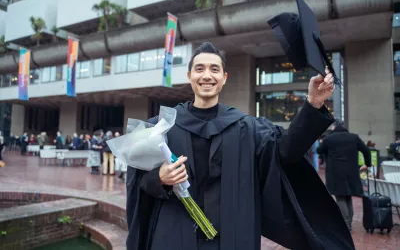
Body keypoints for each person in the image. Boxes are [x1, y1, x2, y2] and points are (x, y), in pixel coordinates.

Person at [126, 43, 354, 250]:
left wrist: (313, 103)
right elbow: (139, 181)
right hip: (174, 236)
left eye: (214, 70)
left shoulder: (247, 128)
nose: (207, 75)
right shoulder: (162, 128)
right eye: (200, 69)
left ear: (224, 78)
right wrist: (160, 178)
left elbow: (286, 149)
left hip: (232, 237)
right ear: (189, 76)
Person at [317, 124, 371, 232]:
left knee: (341, 197)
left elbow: (319, 150)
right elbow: (366, 150)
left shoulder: (329, 139)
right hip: (352, 173)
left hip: (335, 174)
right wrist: (367, 164)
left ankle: (346, 226)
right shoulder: (354, 137)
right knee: (347, 197)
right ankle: (349, 222)